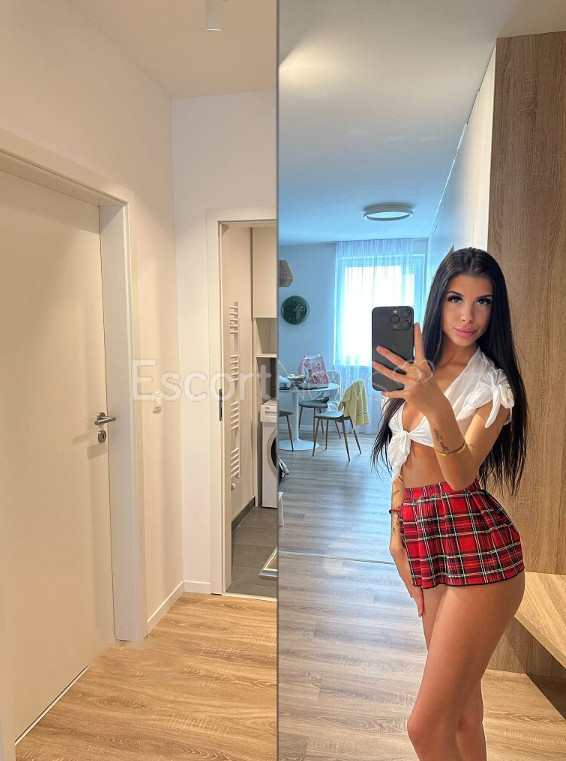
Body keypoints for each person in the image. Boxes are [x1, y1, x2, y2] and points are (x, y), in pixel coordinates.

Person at [371, 247, 528, 761]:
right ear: (438, 301)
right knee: (461, 714)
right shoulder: (417, 371)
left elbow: (461, 478)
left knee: (424, 727)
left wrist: (436, 407)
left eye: (483, 302)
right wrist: (396, 527)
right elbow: (401, 456)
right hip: (426, 537)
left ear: (495, 310)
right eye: (456, 298)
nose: (468, 315)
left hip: (477, 546)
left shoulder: (492, 385)